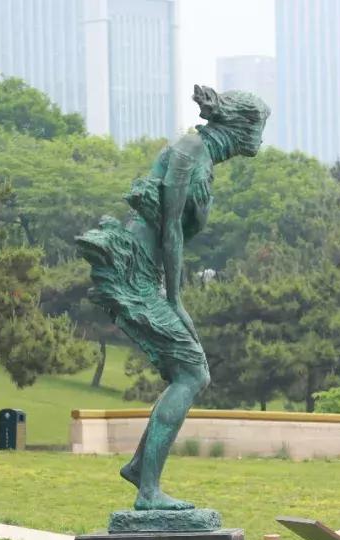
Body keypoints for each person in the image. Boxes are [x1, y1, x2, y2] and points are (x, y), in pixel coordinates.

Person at [78, 84, 270, 511]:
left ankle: (139, 469)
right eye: (261, 125)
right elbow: (170, 230)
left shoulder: (201, 155)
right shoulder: (189, 152)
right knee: (191, 375)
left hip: (147, 277)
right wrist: (175, 298)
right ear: (241, 126)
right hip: (135, 276)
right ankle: (148, 491)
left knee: (193, 374)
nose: (262, 137)